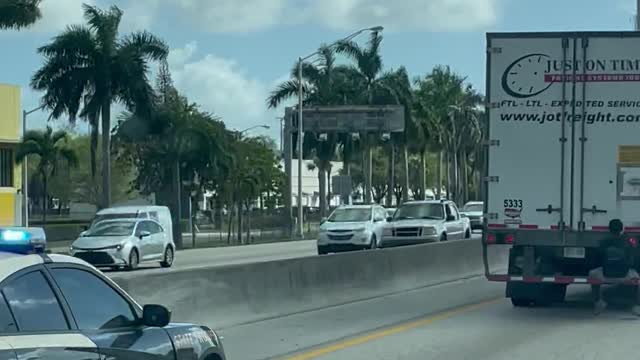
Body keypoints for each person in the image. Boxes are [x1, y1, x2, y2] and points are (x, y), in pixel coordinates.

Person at [589, 219, 640, 315]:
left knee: (591, 274)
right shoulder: (628, 241)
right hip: (625, 276)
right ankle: (637, 305)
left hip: (605, 275)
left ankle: (598, 302)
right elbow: (633, 258)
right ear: (621, 229)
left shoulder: (603, 242)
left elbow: (596, 260)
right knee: (637, 278)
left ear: (609, 229)